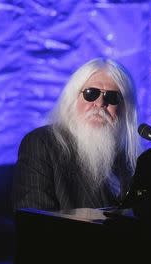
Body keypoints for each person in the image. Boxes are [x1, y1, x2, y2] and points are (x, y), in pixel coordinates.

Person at [11, 58, 141, 211]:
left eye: (112, 97)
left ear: (125, 108)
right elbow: (35, 223)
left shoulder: (129, 158)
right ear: (72, 99)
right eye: (90, 94)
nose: (100, 103)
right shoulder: (41, 144)